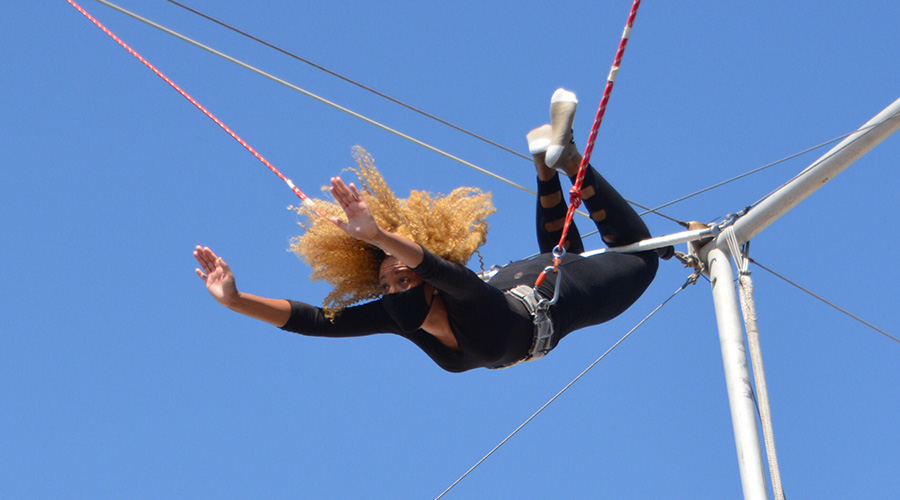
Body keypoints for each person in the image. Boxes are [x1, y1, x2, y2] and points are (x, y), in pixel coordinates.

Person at [193, 89, 661, 372]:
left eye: (401, 280)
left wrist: (377, 236)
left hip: (550, 292)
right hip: (536, 282)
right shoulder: (403, 319)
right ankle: (545, 163)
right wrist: (235, 301)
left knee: (642, 259)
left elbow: (436, 268)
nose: (393, 289)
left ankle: (564, 160)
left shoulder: (464, 297)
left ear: (431, 287)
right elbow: (316, 322)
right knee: (566, 251)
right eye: (387, 283)